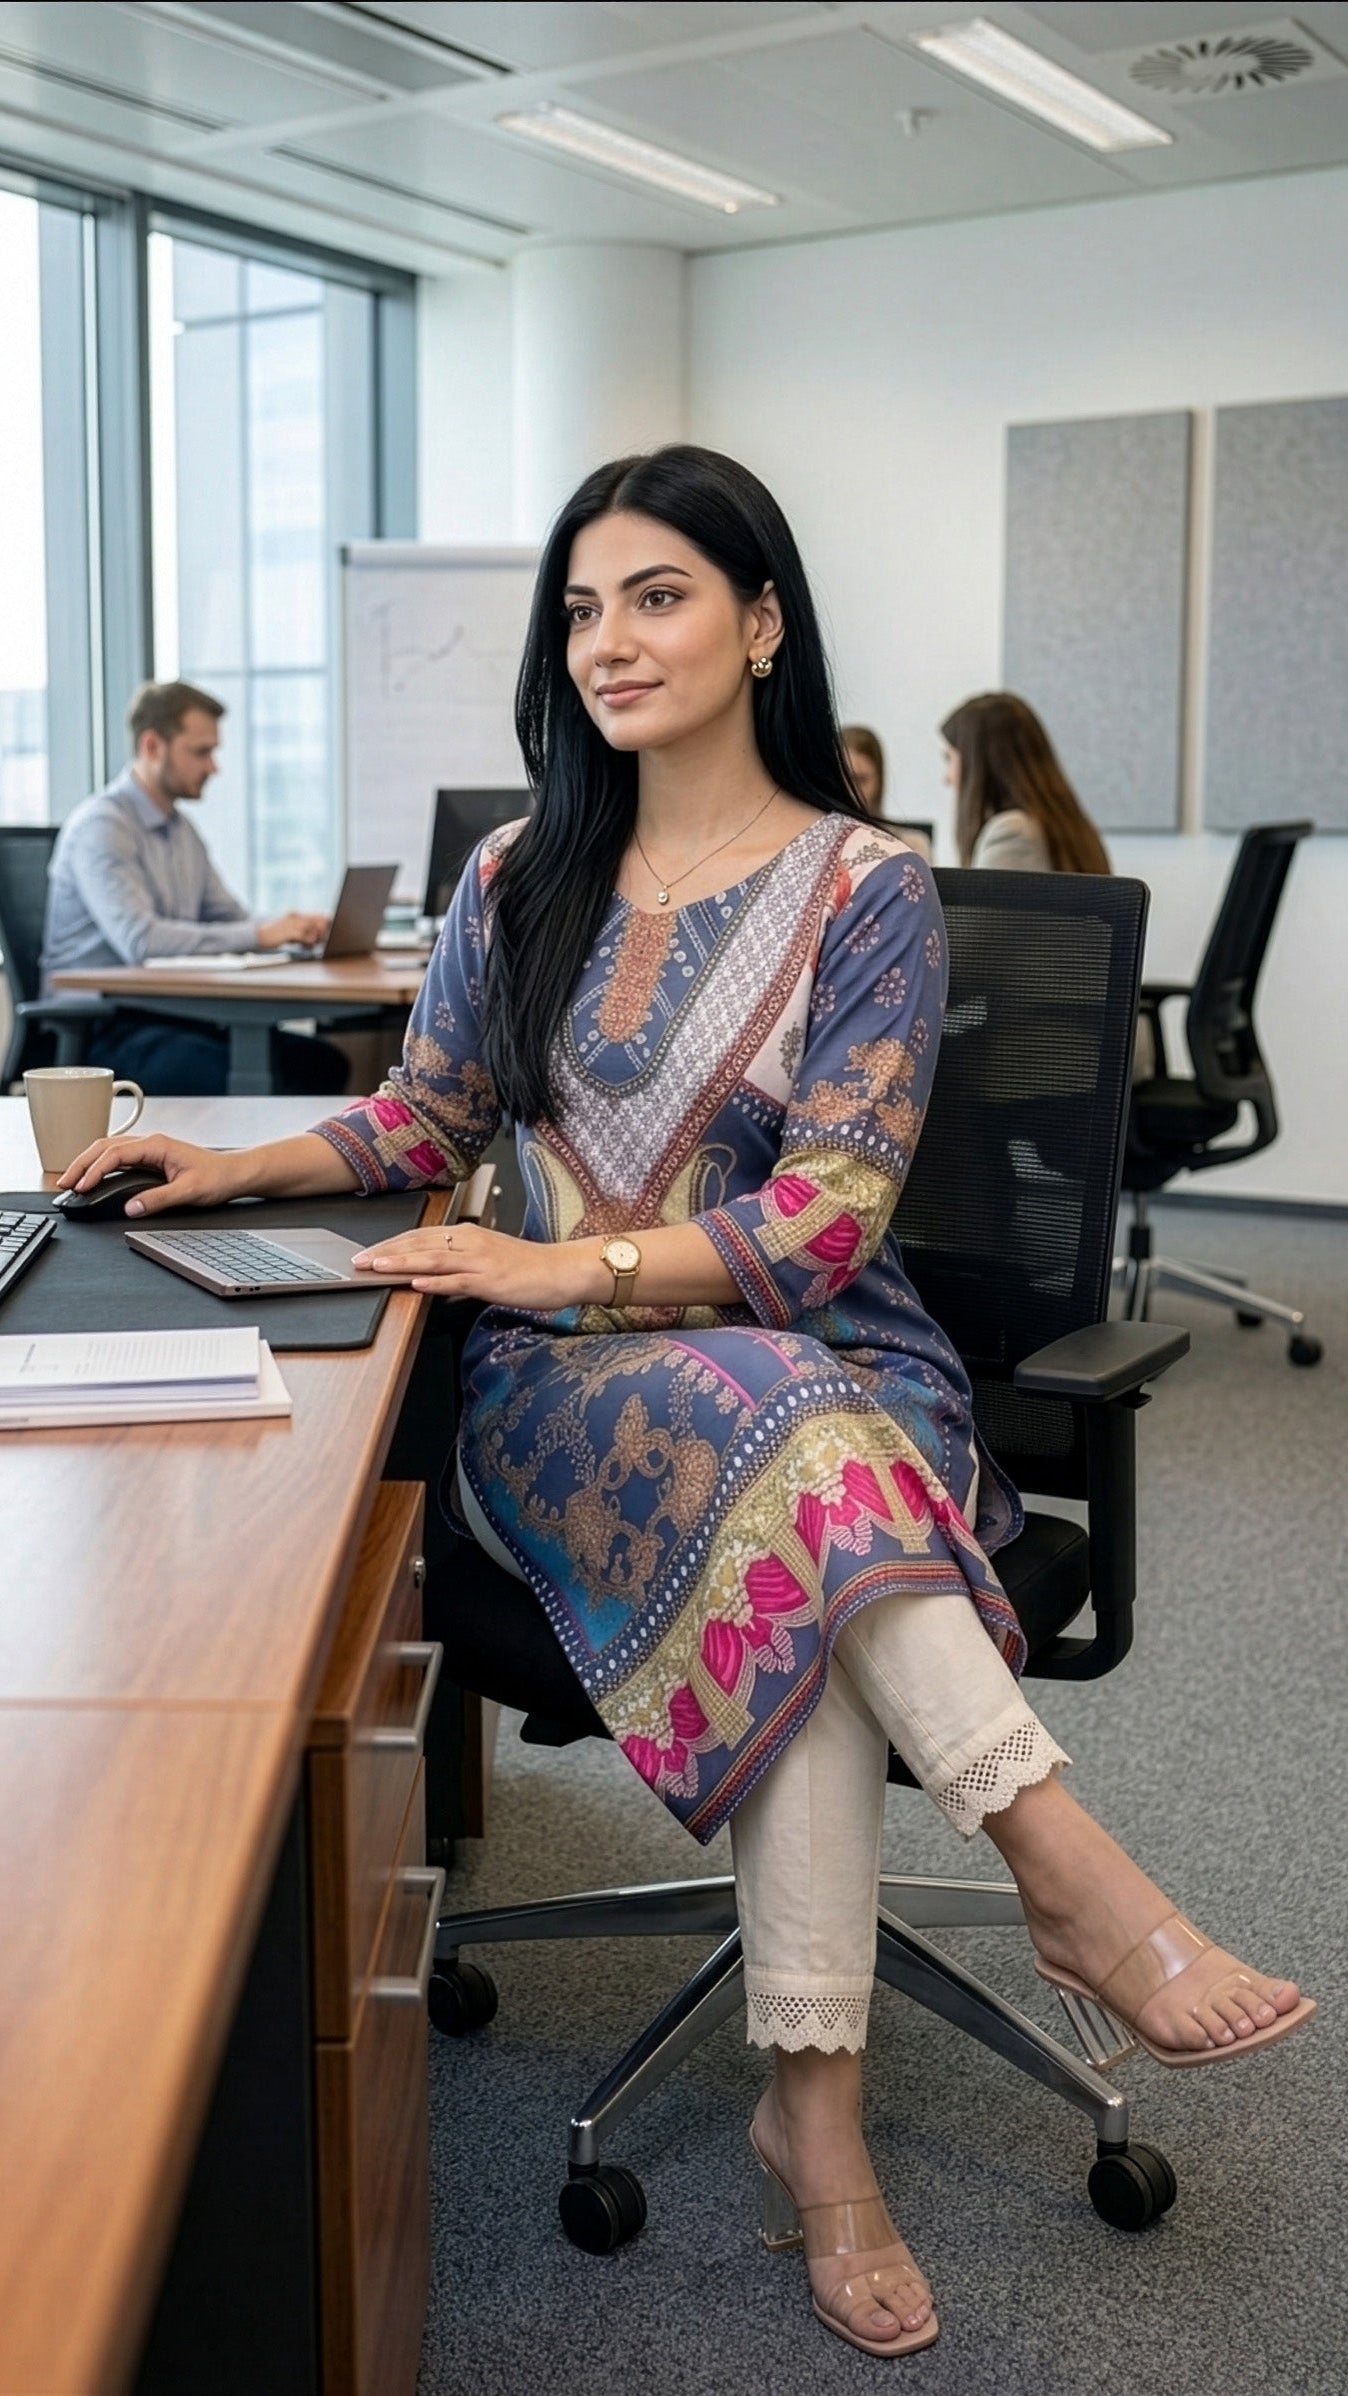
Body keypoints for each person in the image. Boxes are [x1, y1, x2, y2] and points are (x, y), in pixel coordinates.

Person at [63, 449, 1312, 2361]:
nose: (606, 641)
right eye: (580, 607)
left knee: (790, 1462)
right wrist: (234, 1171)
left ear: (759, 621)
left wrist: (559, 1261)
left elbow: (824, 1219)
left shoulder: (867, 889)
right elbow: (430, 1120)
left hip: (819, 1352)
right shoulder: (517, 876)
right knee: (788, 1473)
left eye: (654, 595)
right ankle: (1056, 1877)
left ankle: (814, 2109)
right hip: (563, 1397)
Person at [40, 680, 349, 1096]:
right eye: (201, 751)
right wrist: (260, 934)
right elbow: (141, 940)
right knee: (258, 1077)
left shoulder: (181, 831)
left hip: (173, 1015)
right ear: (152, 746)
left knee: (321, 1064)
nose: (213, 767)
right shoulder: (102, 827)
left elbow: (230, 918)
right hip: (103, 1030)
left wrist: (290, 928)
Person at [941, 691, 1111, 874]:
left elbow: (979, 903)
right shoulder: (1068, 826)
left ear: (979, 763)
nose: (947, 778)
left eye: (949, 758)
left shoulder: (1012, 834)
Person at [842, 723, 885, 816]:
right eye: (839, 780)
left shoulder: (897, 831)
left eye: (859, 780)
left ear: (879, 781)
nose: (849, 791)